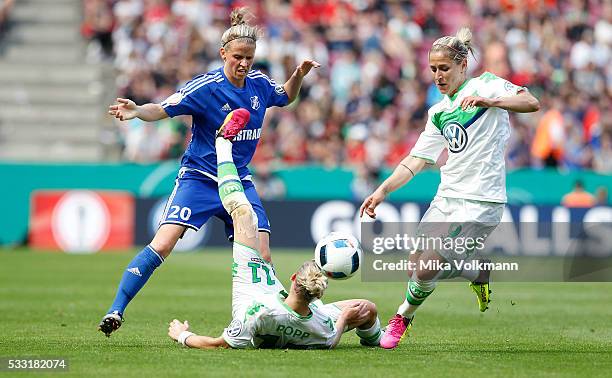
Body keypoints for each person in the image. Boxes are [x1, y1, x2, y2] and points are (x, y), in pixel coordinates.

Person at [99, 7, 320, 337]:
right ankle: (116, 309)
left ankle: (275, 323)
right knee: (163, 243)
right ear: (223, 54)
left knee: (262, 252)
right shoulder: (205, 88)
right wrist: (136, 111)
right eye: (238, 57)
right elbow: (163, 108)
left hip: (239, 179)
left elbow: (285, 96)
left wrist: (299, 74)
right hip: (200, 178)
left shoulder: (258, 84)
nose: (244, 64)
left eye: (249, 57)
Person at [359, 27, 539, 349]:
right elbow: (416, 160)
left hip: (482, 201)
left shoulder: (488, 84)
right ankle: (478, 273)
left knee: (428, 266)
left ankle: (402, 318)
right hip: (446, 197)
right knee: (416, 266)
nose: (438, 75)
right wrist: (382, 191)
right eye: (433, 69)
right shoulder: (439, 112)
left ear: (462, 66)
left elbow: (531, 101)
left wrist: (492, 101)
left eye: (444, 68)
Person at [167, 111, 383, 349]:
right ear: (316, 298)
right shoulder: (323, 327)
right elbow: (331, 340)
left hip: (252, 281)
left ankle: (222, 145)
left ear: (293, 280)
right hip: (298, 314)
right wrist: (342, 319)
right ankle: (378, 340)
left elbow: (217, 344)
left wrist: (181, 335)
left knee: (242, 212)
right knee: (368, 308)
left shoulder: (256, 314)